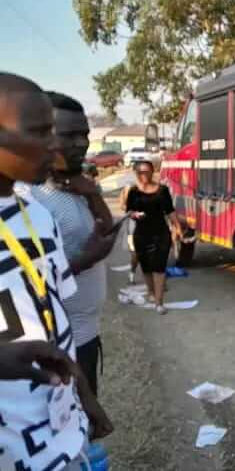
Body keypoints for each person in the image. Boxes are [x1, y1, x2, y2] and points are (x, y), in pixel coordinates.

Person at [0, 73, 112, 470]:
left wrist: (84, 391)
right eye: (40, 131)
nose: (54, 144)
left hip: (63, 427)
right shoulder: (40, 200)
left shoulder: (33, 215)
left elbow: (53, 310)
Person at [22, 91, 117, 396]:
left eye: (85, 134)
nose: (81, 143)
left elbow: (105, 227)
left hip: (86, 331)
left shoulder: (74, 184)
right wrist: (85, 260)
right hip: (57, 340)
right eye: (70, 135)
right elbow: (25, 280)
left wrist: (91, 193)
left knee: (87, 420)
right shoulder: (28, 197)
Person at [125, 160, 181, 314]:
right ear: (136, 173)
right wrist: (135, 214)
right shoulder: (133, 192)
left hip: (161, 233)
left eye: (147, 171)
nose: (144, 175)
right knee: (147, 267)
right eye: (141, 172)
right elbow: (129, 211)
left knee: (159, 267)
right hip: (141, 234)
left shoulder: (162, 190)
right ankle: (151, 291)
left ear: (152, 172)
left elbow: (170, 210)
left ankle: (159, 302)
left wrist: (177, 226)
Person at [120, 183, 139, 283]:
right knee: (136, 254)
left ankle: (158, 280)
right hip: (131, 228)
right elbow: (122, 206)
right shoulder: (126, 190)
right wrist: (132, 213)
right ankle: (132, 274)